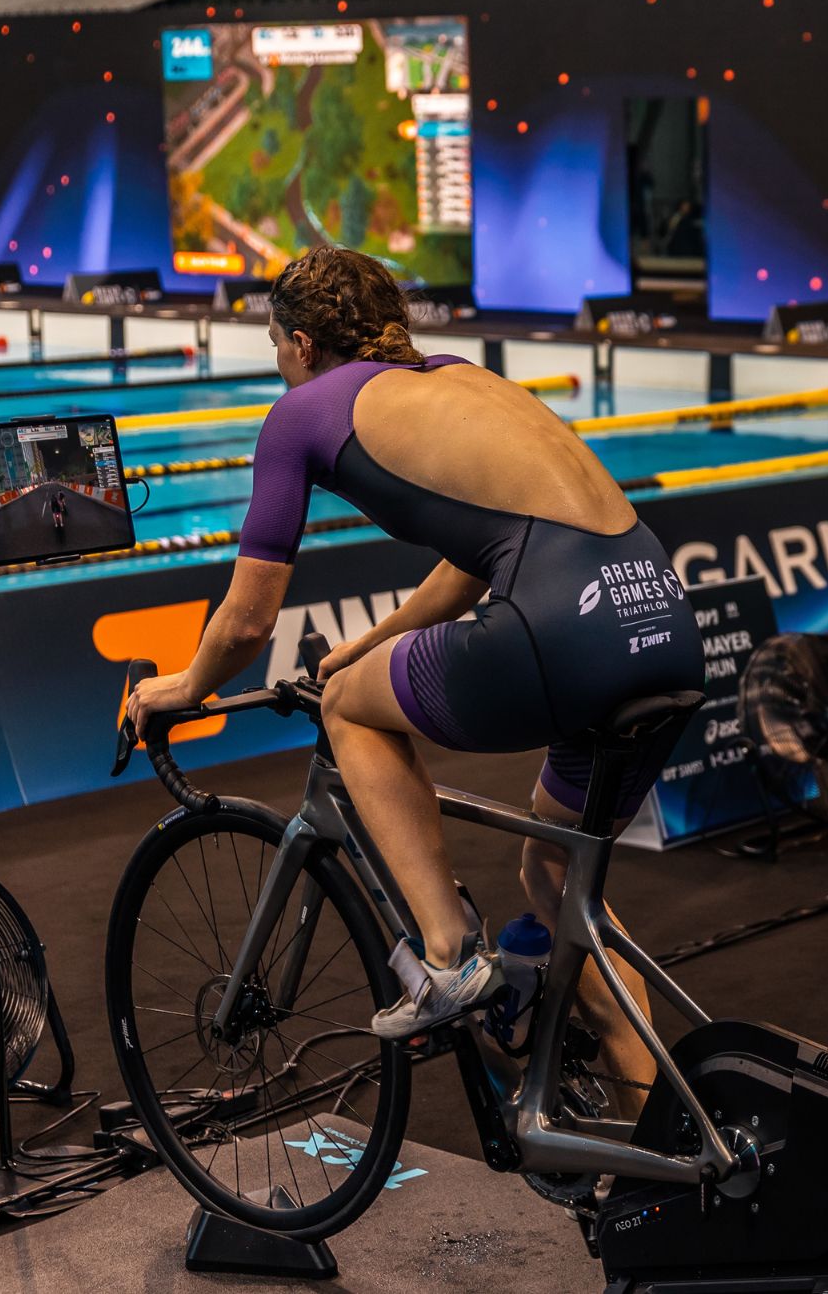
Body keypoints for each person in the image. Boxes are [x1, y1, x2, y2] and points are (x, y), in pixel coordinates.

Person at [125, 248, 703, 1087]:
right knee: (557, 882)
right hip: (661, 624)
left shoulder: (301, 413)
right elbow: (480, 555)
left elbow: (248, 619)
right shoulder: (460, 376)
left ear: (301, 344)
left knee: (349, 709)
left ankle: (444, 952)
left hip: (562, 640)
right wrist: (368, 642)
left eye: (277, 346)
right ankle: (659, 1139)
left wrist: (183, 688)